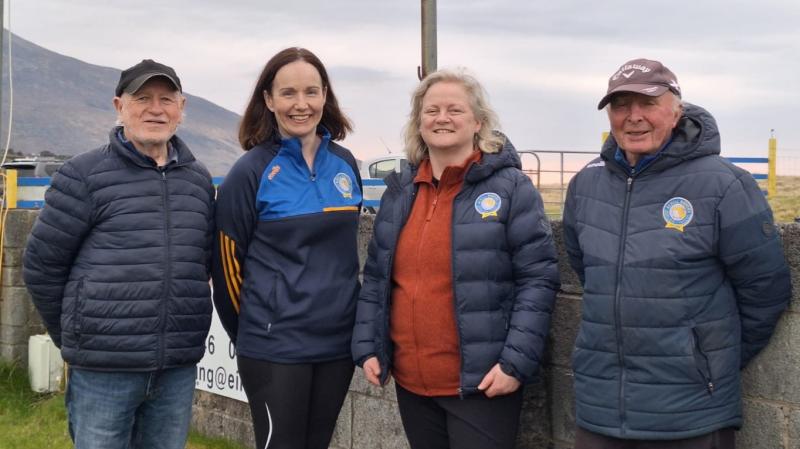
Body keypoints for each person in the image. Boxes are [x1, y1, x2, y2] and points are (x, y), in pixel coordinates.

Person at [563, 58, 792, 449]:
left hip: (691, 413)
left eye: (648, 103)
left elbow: (765, 288)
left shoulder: (724, 185)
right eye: (621, 105)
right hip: (600, 409)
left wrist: (704, 360)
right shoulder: (586, 185)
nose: (634, 117)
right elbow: (588, 271)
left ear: (676, 111)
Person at [351, 69, 560, 449]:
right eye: (431, 110)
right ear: (419, 122)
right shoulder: (400, 193)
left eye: (454, 110)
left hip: (482, 384)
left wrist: (515, 362)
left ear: (479, 121)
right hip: (413, 383)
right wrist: (368, 344)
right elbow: (378, 279)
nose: (441, 118)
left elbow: (538, 279)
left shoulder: (511, 188)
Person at [23, 59, 215, 449]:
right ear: (118, 106)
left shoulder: (197, 181)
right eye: (142, 98)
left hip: (175, 368)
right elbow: (42, 266)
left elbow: (204, 263)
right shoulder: (83, 176)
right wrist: (75, 339)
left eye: (166, 99)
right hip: (103, 371)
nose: (155, 109)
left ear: (182, 108)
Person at [211, 47, 362, 449]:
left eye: (311, 92)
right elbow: (227, 269)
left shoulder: (346, 164)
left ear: (325, 96)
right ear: (269, 100)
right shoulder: (251, 171)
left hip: (337, 344)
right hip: (275, 346)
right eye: (288, 93)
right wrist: (255, 332)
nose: (301, 104)